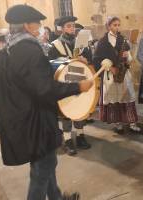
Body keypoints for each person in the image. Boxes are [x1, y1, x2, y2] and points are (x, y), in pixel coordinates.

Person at [0, 4, 94, 200]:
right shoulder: (29, 50)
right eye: (37, 24)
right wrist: (77, 87)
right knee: (43, 168)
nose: (40, 28)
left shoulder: (6, 53)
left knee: (45, 164)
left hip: (20, 121)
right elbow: (44, 88)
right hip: (34, 121)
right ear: (27, 26)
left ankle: (56, 197)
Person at [48, 16, 92, 156]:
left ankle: (80, 136)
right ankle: (67, 140)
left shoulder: (81, 42)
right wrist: (69, 60)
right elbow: (50, 63)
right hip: (64, 82)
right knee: (66, 110)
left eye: (73, 26)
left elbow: (89, 59)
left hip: (80, 79)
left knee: (80, 108)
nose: (72, 28)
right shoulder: (54, 45)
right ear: (61, 28)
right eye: (68, 26)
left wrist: (85, 59)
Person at [93, 16, 143, 134]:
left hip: (124, 73)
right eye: (114, 25)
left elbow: (130, 58)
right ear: (109, 26)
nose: (117, 27)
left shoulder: (123, 39)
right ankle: (118, 124)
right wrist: (110, 67)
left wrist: (128, 56)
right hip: (110, 74)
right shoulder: (103, 42)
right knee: (114, 100)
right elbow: (96, 58)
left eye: (118, 25)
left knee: (128, 97)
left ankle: (132, 123)